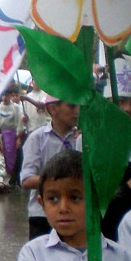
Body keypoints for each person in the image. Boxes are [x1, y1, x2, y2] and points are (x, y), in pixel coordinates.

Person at [20, 95, 79, 240]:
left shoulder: (82, 138)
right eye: (71, 106)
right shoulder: (37, 138)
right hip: (42, 215)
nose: (77, 111)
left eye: (78, 106)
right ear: (53, 109)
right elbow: (27, 179)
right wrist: (61, 182)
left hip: (75, 214)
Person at [101, 55, 131, 240]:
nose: (127, 109)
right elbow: (98, 207)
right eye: (121, 101)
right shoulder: (93, 143)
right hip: (110, 240)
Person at [0, 86, 24, 192]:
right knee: (0, 157)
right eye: (3, 95)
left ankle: (7, 181)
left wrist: (19, 137)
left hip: (11, 136)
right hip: (0, 135)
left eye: (7, 95)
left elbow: (19, 123)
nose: (5, 97)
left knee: (10, 158)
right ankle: (0, 179)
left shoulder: (16, 108)